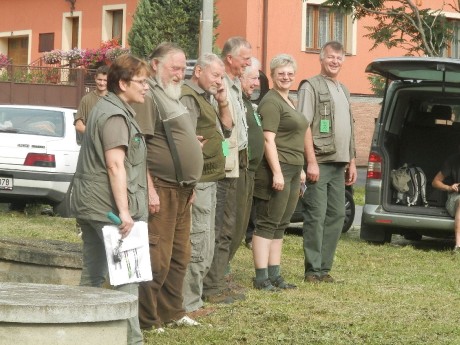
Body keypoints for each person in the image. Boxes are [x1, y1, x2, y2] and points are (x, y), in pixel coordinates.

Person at [71, 54, 150, 345]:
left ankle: (79, 335)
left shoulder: (107, 108)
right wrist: (125, 212)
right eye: (141, 82)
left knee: (92, 276)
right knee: (127, 278)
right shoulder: (115, 116)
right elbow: (115, 165)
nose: (146, 87)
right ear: (124, 83)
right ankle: (132, 341)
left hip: (93, 205)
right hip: (111, 213)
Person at [133, 42, 203, 332]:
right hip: (161, 188)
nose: (180, 74)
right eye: (174, 68)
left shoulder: (173, 97)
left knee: (179, 256)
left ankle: (173, 312)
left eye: (183, 68)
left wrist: (192, 180)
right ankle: (147, 320)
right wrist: (149, 189)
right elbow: (141, 148)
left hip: (183, 189)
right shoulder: (149, 96)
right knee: (156, 257)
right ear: (155, 65)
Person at [297, 41, 357, 283]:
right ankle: (312, 270)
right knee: (316, 215)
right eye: (331, 57)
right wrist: (310, 162)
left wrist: (352, 162)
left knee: (336, 216)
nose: (335, 61)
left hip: (340, 164)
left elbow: (350, 129)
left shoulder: (344, 89)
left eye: (339, 58)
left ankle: (324, 268)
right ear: (321, 59)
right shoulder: (310, 86)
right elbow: (304, 126)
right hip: (319, 163)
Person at [179, 53, 232, 314]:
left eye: (222, 76)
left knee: (206, 238)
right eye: (215, 75)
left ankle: (195, 297)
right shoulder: (188, 96)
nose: (219, 81)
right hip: (198, 182)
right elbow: (185, 141)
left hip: (211, 178)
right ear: (198, 71)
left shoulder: (205, 97)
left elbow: (227, 130)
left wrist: (222, 102)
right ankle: (188, 302)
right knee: (198, 239)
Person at [202, 36, 252, 304]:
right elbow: (220, 130)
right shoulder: (220, 85)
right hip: (225, 167)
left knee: (231, 227)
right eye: (245, 57)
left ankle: (218, 280)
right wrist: (224, 162)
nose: (248, 63)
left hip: (237, 163)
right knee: (221, 227)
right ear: (230, 58)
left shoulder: (234, 85)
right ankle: (211, 286)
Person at [252, 54, 308, 291]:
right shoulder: (271, 102)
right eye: (281, 73)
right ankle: (261, 277)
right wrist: (277, 172)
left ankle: (275, 274)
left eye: (289, 73)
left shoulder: (289, 100)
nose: (286, 77)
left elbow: (295, 137)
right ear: (273, 76)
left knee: (281, 223)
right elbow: (268, 139)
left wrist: (302, 170)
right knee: (268, 222)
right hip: (280, 168)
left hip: (294, 168)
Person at [228, 57, 264, 263]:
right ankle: (219, 273)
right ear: (240, 77)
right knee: (233, 222)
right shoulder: (235, 100)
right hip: (238, 170)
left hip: (250, 171)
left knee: (242, 223)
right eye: (253, 78)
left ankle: (223, 270)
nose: (257, 83)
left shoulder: (248, 102)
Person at [432, 151, 460, 252]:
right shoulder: (452, 160)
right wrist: (449, 187)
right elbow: (435, 182)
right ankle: (458, 246)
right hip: (455, 197)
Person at [74, 65, 109, 141]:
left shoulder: (114, 99)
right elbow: (79, 125)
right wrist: (96, 135)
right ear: (95, 78)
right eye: (99, 79)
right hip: (90, 146)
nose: (102, 83)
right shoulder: (86, 99)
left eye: (105, 80)